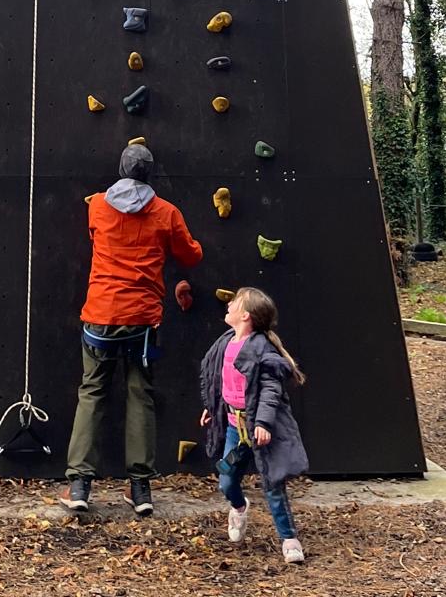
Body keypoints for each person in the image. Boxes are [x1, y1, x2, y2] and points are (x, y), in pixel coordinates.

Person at [61, 144, 203, 517]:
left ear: (121, 169)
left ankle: (79, 485)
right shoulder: (167, 213)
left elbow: (96, 238)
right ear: (149, 174)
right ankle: (140, 489)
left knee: (92, 392)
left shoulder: (97, 206)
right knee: (140, 394)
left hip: (101, 316)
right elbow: (191, 255)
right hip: (143, 323)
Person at [199, 287, 309, 565]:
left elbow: (271, 390)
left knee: (273, 483)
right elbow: (218, 380)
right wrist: (212, 407)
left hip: (259, 427)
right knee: (226, 481)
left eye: (235, 302)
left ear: (245, 315)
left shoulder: (261, 349)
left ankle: (289, 539)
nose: (229, 305)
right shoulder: (225, 342)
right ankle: (239, 507)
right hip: (234, 427)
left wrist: (262, 422)